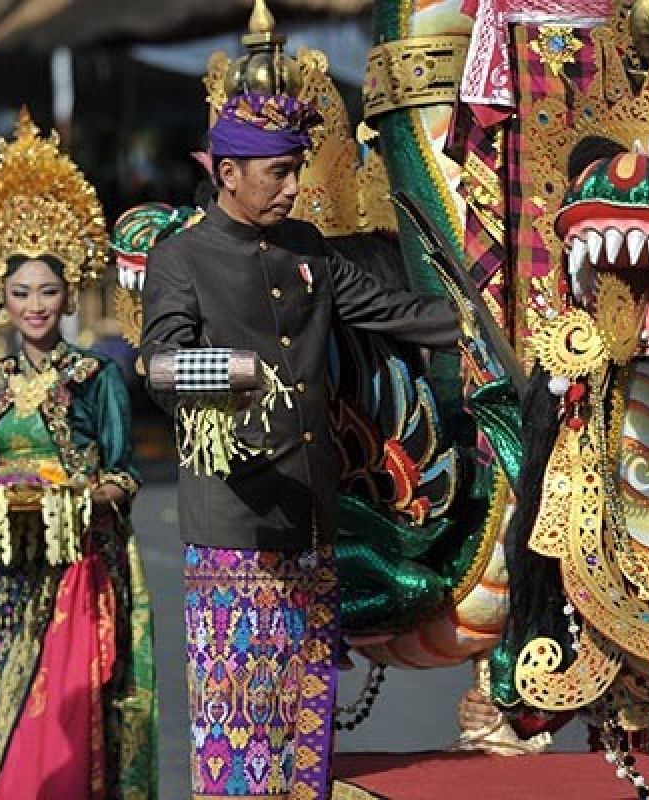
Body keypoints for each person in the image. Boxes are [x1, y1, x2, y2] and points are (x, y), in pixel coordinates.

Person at [140, 92, 462, 800]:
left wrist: (487, 327)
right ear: (227, 173)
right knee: (239, 724)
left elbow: (396, 313)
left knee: (303, 722)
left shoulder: (306, 247)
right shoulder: (181, 259)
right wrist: (232, 374)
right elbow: (158, 365)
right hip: (236, 523)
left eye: (295, 171)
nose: (291, 188)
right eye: (277, 174)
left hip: (313, 514)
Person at [0, 109, 156, 800]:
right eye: (21, 294)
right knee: (6, 737)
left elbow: (126, 474)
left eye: (47, 291)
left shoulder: (97, 379)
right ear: (1, 300)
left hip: (77, 571)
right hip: (3, 581)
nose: (35, 306)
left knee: (72, 729)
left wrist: (69, 496)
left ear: (70, 292)